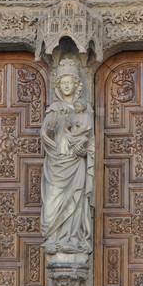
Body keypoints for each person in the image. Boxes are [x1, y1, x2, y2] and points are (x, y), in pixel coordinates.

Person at [41, 59, 94, 254]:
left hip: (76, 162)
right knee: (53, 199)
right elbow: (45, 134)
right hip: (57, 162)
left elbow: (91, 139)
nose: (66, 86)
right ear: (57, 86)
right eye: (63, 82)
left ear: (77, 85)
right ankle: (52, 238)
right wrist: (51, 129)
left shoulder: (85, 111)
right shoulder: (54, 109)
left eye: (69, 82)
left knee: (76, 199)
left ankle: (73, 238)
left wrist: (85, 152)